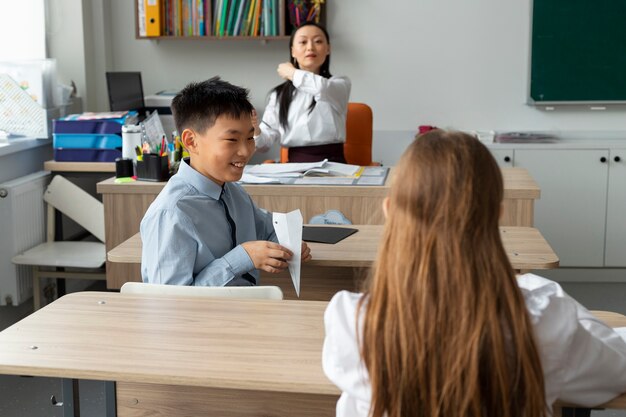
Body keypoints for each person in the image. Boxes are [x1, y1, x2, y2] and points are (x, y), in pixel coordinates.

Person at [322, 130, 626, 417]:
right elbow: (618, 369)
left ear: (390, 210)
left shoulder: (352, 321)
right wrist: (549, 294)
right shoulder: (545, 319)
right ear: (497, 215)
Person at [140, 77, 311, 286]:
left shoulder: (233, 192)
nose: (246, 151)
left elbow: (268, 228)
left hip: (245, 308)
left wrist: (288, 243)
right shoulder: (171, 213)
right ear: (191, 141)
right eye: (232, 140)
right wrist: (242, 258)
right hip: (203, 318)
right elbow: (170, 302)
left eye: (249, 138)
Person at [253, 22, 351, 163]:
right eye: (303, 42)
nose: (310, 47)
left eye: (318, 41)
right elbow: (263, 144)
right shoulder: (279, 95)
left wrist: (292, 72)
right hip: (293, 167)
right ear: (293, 51)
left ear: (328, 49)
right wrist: (255, 129)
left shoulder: (339, 84)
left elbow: (321, 88)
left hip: (334, 165)